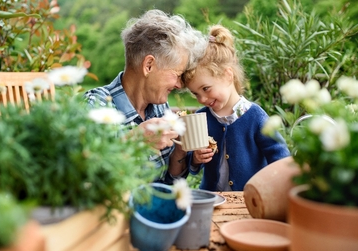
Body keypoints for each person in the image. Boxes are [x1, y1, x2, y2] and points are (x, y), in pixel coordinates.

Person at [84, 9, 207, 184]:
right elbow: (83, 174)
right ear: (149, 65)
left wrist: (180, 150)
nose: (180, 85)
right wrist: (135, 142)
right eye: (177, 74)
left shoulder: (159, 107)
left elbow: (169, 182)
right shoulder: (96, 106)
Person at [180, 24, 290, 191]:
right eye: (196, 94)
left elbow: (280, 157)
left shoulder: (255, 117)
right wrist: (196, 158)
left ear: (228, 75)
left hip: (248, 200)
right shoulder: (203, 118)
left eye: (206, 89)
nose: (202, 99)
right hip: (212, 199)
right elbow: (192, 165)